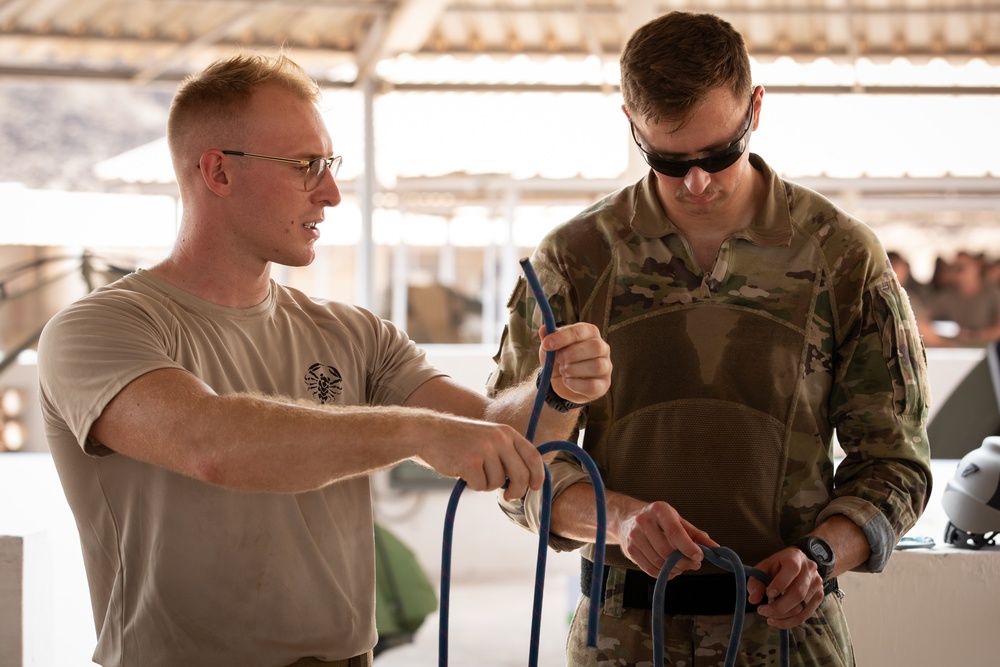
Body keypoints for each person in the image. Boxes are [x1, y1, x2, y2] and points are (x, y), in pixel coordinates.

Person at [36, 52, 612, 667]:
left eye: (329, 166)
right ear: (218, 173)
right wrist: (415, 431)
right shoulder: (97, 329)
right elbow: (212, 443)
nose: (332, 194)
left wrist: (557, 392)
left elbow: (502, 440)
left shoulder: (354, 333)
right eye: (305, 166)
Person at [489, 11, 931, 667]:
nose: (698, 181)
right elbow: (519, 467)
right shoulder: (575, 260)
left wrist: (822, 554)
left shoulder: (839, 256)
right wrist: (619, 522)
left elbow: (895, 462)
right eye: (668, 160)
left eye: (720, 153)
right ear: (631, 125)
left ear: (757, 109)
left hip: (787, 637)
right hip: (623, 638)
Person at [927, 251, 1000, 346]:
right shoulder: (946, 296)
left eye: (962, 268)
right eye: (954, 268)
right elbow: (925, 321)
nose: (957, 272)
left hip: (985, 349)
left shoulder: (992, 294)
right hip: (955, 350)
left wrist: (973, 335)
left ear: (976, 267)